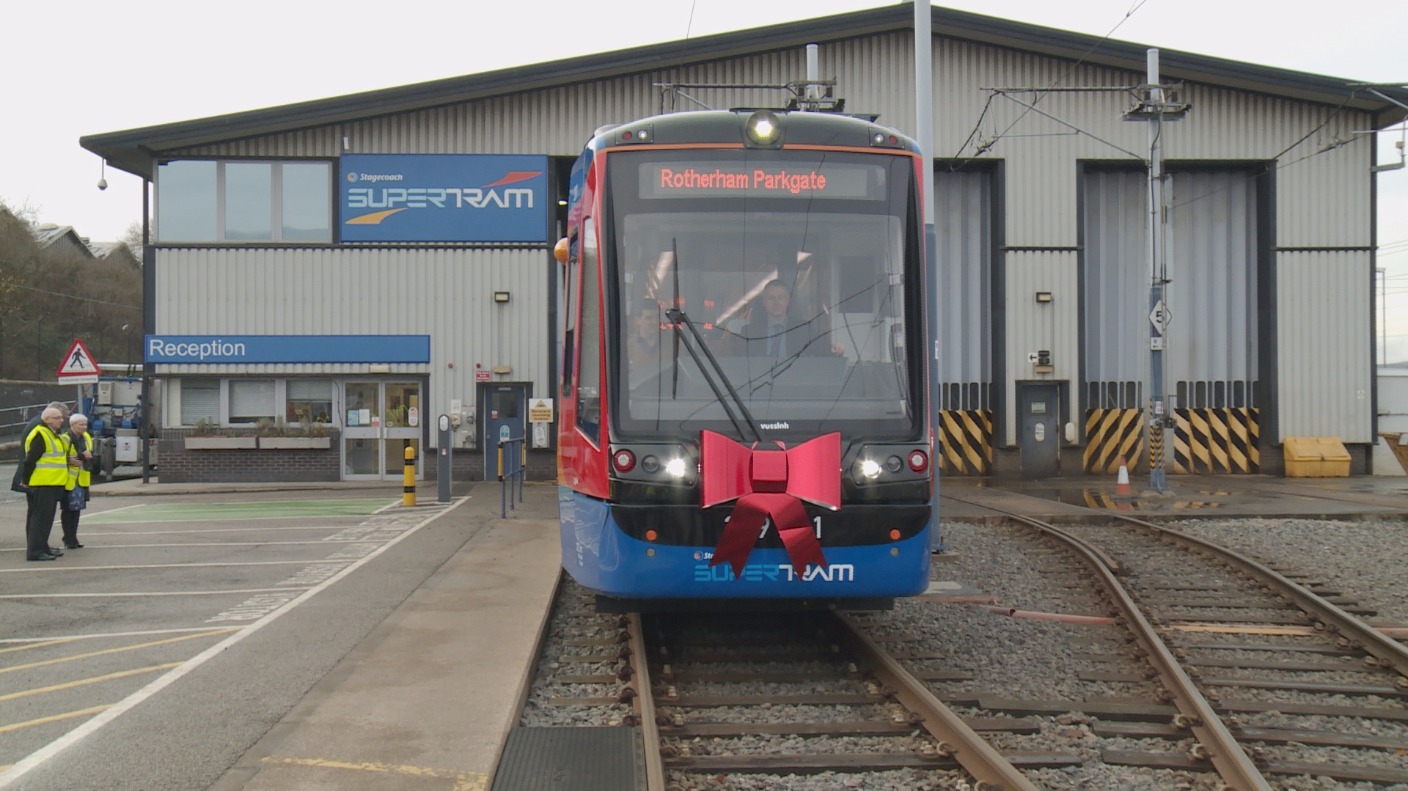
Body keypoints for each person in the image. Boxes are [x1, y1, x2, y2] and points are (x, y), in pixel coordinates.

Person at [742, 279, 840, 359]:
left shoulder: (804, 329)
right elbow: (739, 363)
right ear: (764, 302)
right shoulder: (749, 332)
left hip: (796, 380)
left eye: (781, 298)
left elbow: (823, 353)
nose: (776, 303)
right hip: (759, 382)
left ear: (788, 301)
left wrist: (836, 351)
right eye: (771, 298)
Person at [20, 407, 70, 561]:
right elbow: (30, 460)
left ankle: (43, 547)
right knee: (40, 518)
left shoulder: (52, 434)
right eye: (57, 418)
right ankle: (35, 551)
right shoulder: (40, 434)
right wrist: (26, 480)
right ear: (47, 419)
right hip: (42, 483)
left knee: (47, 519)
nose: (61, 420)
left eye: (61, 418)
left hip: (52, 482)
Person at [60, 413, 96, 550]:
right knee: (68, 509)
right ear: (72, 425)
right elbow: (61, 457)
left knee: (77, 510)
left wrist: (88, 456)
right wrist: (72, 459)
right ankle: (68, 538)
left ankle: (73, 537)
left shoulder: (86, 437)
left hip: (81, 479)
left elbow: (89, 454)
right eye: (81, 424)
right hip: (69, 479)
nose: (84, 427)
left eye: (85, 424)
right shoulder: (65, 438)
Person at [626, 299, 662, 367]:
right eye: (649, 318)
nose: (655, 322)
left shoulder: (673, 343)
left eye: (657, 317)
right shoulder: (629, 347)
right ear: (637, 320)